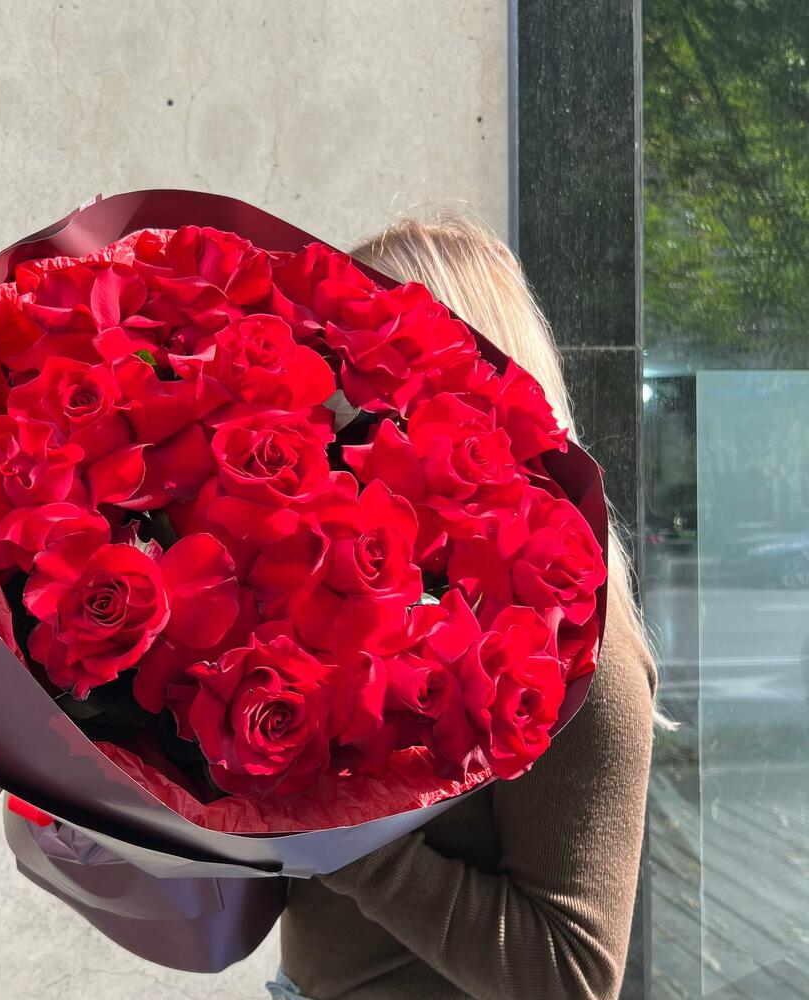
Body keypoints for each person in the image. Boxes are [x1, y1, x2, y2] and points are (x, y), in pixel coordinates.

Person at [266, 214, 671, 1000]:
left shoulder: (587, 651)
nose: (328, 404)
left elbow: (574, 977)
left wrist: (346, 841)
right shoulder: (368, 590)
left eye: (359, 369)